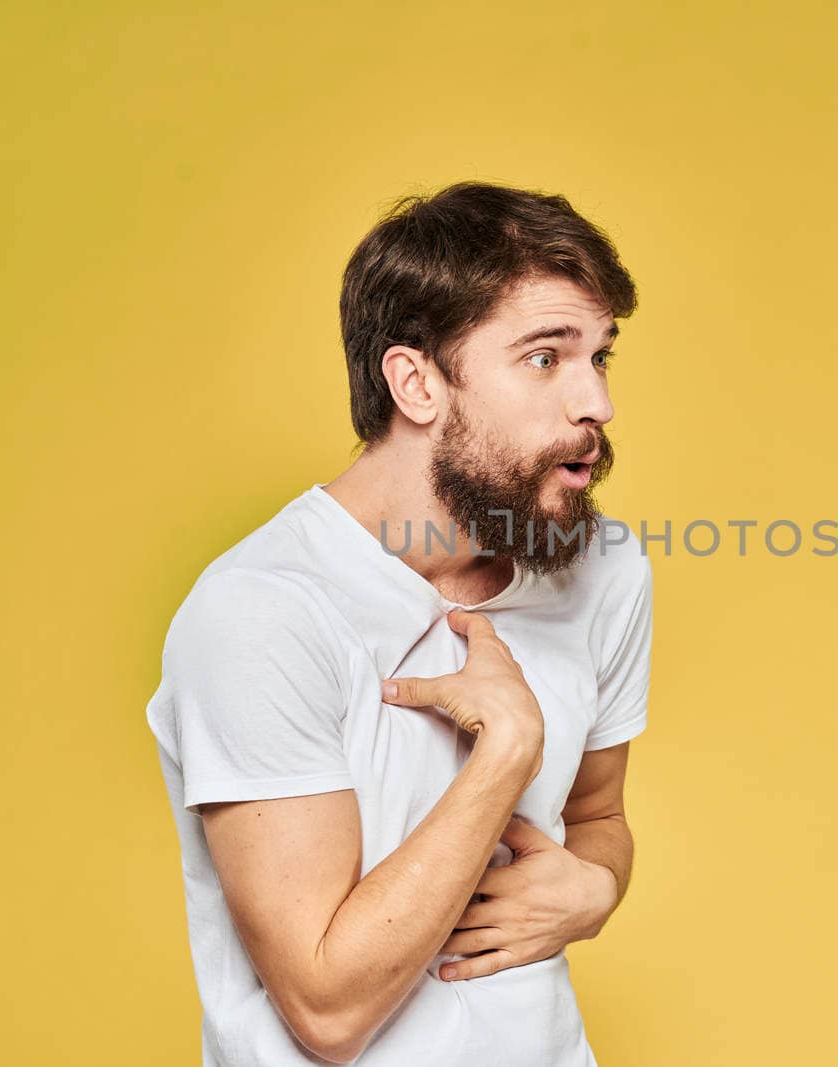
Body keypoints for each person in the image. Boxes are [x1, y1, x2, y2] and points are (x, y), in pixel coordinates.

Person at [145, 181, 654, 1065]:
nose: (597, 405)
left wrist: (597, 888)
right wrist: (505, 751)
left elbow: (598, 813)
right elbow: (327, 1008)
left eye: (600, 357)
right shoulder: (265, 612)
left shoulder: (603, 571)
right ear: (416, 383)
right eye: (545, 358)